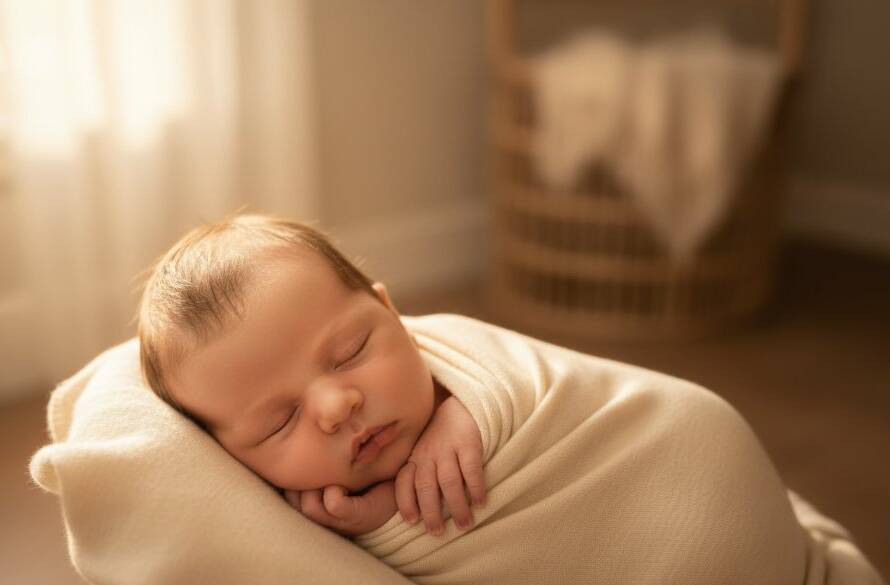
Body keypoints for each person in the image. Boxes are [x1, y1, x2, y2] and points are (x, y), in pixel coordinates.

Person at [138, 214, 487, 537]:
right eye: (280, 422)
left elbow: (511, 362)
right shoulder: (300, 523)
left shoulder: (464, 358)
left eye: (350, 353)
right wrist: (380, 518)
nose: (336, 408)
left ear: (391, 311)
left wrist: (468, 410)